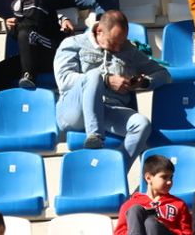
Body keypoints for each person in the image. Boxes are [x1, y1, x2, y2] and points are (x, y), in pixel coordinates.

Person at [54, 9, 170, 159]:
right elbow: (64, 80)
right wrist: (107, 80)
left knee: (142, 124)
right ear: (99, 31)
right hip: (76, 109)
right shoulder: (73, 43)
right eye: (113, 43)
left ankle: (119, 170)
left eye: (121, 43)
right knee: (95, 75)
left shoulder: (129, 50)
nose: (118, 48)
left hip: (109, 109)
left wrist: (144, 83)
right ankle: (95, 136)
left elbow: (164, 74)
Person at [3, 0, 75, 89]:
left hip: (51, 50)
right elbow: (19, 30)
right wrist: (11, 27)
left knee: (26, 33)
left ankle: (29, 76)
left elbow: (31, 26)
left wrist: (16, 27)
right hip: (34, 51)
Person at [115, 152, 194, 235]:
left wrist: (166, 228)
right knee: (136, 209)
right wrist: (133, 234)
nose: (169, 182)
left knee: (151, 222)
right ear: (148, 178)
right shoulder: (129, 205)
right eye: (164, 177)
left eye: (171, 178)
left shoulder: (178, 204)